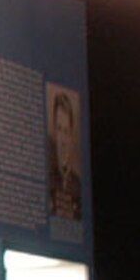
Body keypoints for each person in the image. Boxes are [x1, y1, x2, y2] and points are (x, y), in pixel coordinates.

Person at [49, 90, 81, 219]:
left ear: (71, 137)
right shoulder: (49, 181)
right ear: (55, 134)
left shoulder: (78, 186)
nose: (62, 140)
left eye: (66, 131)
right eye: (59, 129)